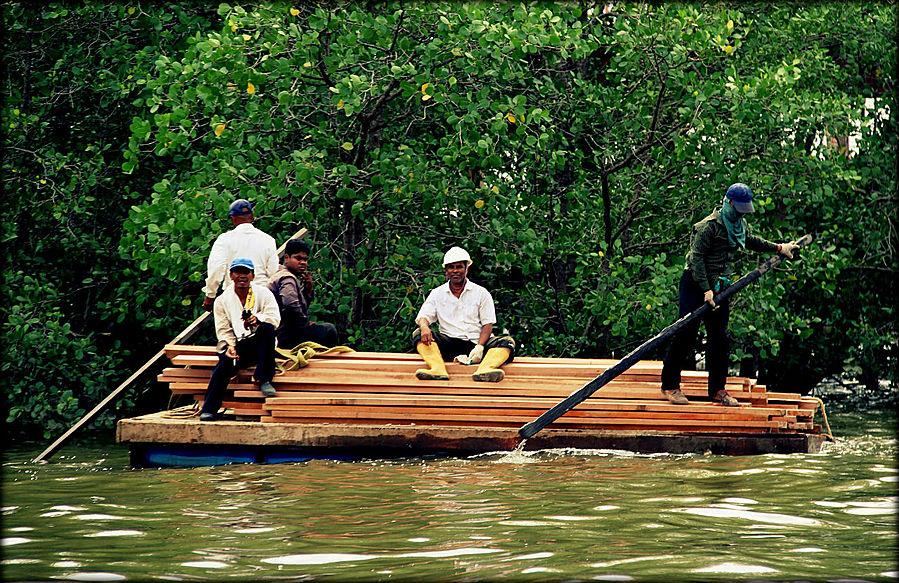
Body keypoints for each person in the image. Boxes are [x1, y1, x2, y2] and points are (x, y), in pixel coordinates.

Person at [660, 183, 799, 407]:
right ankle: (670, 385)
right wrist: (706, 290)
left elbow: (751, 241)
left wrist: (779, 247)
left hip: (720, 287)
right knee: (686, 334)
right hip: (695, 284)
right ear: (730, 203)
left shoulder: (739, 225)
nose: (742, 214)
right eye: (740, 208)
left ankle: (717, 390)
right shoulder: (708, 227)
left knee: (719, 339)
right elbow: (696, 260)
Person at [413, 246, 517, 382]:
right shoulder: (437, 293)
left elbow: (487, 324)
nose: (455, 271)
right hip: (449, 344)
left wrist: (480, 347)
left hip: (477, 343)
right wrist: (424, 327)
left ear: (466, 268)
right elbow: (423, 317)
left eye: (459, 267)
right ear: (446, 270)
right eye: (451, 267)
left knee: (507, 342)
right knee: (418, 334)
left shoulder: (481, 293)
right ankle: (437, 369)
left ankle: (485, 370)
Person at [199, 258, 281, 421]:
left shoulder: (263, 294)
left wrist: (257, 319)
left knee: (267, 328)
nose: (242, 276)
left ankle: (264, 378)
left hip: (262, 344)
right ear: (231, 275)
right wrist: (230, 347)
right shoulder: (222, 301)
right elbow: (223, 330)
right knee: (222, 367)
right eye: (238, 272)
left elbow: (275, 318)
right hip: (240, 344)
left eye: (246, 272)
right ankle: (209, 409)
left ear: (252, 276)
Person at [200, 199, 278, 311]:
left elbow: (216, 269)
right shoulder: (268, 240)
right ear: (252, 215)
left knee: (234, 327)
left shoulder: (225, 239)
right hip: (261, 296)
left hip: (234, 296)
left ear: (233, 218)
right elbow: (273, 272)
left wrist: (210, 295)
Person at [267, 239, 338, 349]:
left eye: (305, 259)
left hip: (282, 332)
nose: (303, 262)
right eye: (298, 258)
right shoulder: (287, 278)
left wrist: (308, 289)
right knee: (329, 329)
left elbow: (295, 305)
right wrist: (305, 324)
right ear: (286, 258)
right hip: (283, 335)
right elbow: (290, 305)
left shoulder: (283, 274)